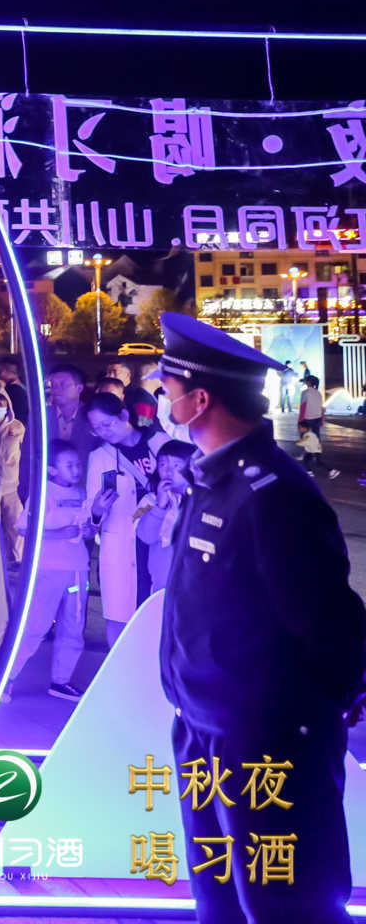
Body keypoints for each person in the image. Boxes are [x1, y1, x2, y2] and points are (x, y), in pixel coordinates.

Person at [156, 312, 366, 924]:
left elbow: (327, 621)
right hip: (204, 730)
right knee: (219, 900)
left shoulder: (273, 494)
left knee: (288, 903)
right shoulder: (211, 479)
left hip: (265, 743)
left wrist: (318, 712)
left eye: (168, 387)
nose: (162, 399)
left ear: (200, 400)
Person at [8, 439, 93, 700]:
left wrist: (89, 530)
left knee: (74, 627)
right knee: (35, 625)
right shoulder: (42, 493)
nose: (76, 470)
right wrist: (58, 534)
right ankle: (6, 677)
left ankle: (61, 680)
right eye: (69, 465)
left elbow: (88, 528)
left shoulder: (81, 494)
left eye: (77, 464)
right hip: (48, 569)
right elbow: (24, 529)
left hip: (77, 568)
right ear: (52, 469)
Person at [86, 390, 166, 642]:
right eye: (97, 428)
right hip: (122, 542)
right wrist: (97, 509)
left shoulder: (160, 444)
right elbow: (91, 508)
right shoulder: (100, 457)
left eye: (107, 424)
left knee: (157, 611)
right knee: (119, 614)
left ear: (123, 415)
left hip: (159, 538)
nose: (103, 432)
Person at [145, 438, 194, 594]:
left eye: (176, 465)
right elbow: (146, 536)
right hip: (162, 584)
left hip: (195, 583)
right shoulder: (150, 500)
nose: (168, 471)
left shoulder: (203, 500)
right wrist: (160, 506)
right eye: (162, 464)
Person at [0, 388, 25, 562]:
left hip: (12, 486)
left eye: (1, 404)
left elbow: (25, 454)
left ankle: (19, 562)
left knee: (16, 528)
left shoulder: (17, 427)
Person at [43, 362, 96, 458]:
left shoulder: (91, 417)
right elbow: (28, 452)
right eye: (53, 385)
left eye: (63, 384)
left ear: (79, 388)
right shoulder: (42, 416)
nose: (56, 389)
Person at [300, 373, 339, 479]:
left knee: (309, 447)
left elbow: (303, 408)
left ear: (308, 382)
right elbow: (321, 408)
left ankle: (311, 471)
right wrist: (322, 420)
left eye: (306, 381)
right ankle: (327, 470)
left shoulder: (305, 393)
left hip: (307, 421)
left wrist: (300, 423)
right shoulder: (318, 393)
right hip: (316, 422)